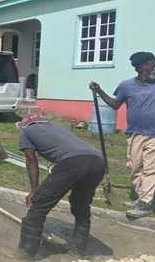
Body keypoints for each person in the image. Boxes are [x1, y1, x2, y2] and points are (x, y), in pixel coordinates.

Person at [7, 110, 104, 259]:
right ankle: (78, 250)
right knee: (80, 204)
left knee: (39, 205)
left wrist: (34, 190)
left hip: (73, 162)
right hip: (97, 161)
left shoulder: (26, 132)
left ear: (25, 124)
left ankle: (25, 253)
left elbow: (30, 159)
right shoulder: (58, 128)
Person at [90, 51, 155, 219]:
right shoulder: (126, 86)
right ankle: (141, 196)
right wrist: (99, 91)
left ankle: (146, 203)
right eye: (152, 64)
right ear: (140, 67)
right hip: (135, 133)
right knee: (135, 167)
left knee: (151, 169)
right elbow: (115, 104)